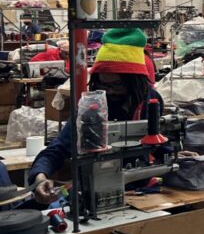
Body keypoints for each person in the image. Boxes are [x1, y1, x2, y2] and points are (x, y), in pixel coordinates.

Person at [30, 29, 164, 205]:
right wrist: (40, 177)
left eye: (117, 85)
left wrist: (177, 152)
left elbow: (158, 143)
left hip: (141, 190)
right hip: (93, 187)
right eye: (103, 85)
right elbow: (59, 147)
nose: (109, 92)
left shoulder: (151, 101)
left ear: (135, 82)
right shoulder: (92, 107)